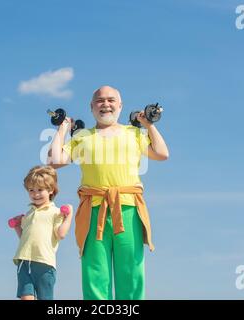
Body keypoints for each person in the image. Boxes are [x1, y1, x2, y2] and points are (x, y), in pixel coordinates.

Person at [47, 86, 169, 300]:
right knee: (95, 273)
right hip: (94, 211)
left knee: (131, 272)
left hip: (129, 208)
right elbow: (55, 161)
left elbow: (161, 153)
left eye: (111, 100)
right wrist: (62, 128)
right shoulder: (82, 137)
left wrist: (148, 124)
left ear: (120, 106)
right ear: (92, 107)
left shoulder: (134, 133)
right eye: (100, 100)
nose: (106, 104)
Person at [12, 165, 73, 300]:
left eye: (40, 190)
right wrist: (17, 227)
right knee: (25, 297)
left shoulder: (56, 212)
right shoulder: (28, 214)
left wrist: (69, 216)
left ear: (51, 190)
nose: (35, 194)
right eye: (31, 190)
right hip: (24, 261)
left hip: (44, 263)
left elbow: (61, 234)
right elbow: (24, 238)